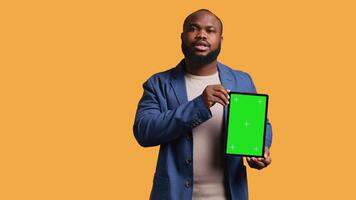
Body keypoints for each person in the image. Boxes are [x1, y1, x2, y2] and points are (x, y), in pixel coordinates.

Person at [133, 9, 272, 200]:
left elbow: (261, 126)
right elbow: (144, 131)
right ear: (182, 37)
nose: (202, 35)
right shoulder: (158, 83)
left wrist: (260, 150)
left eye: (210, 30)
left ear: (221, 40)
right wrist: (198, 106)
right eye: (194, 28)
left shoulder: (242, 81)